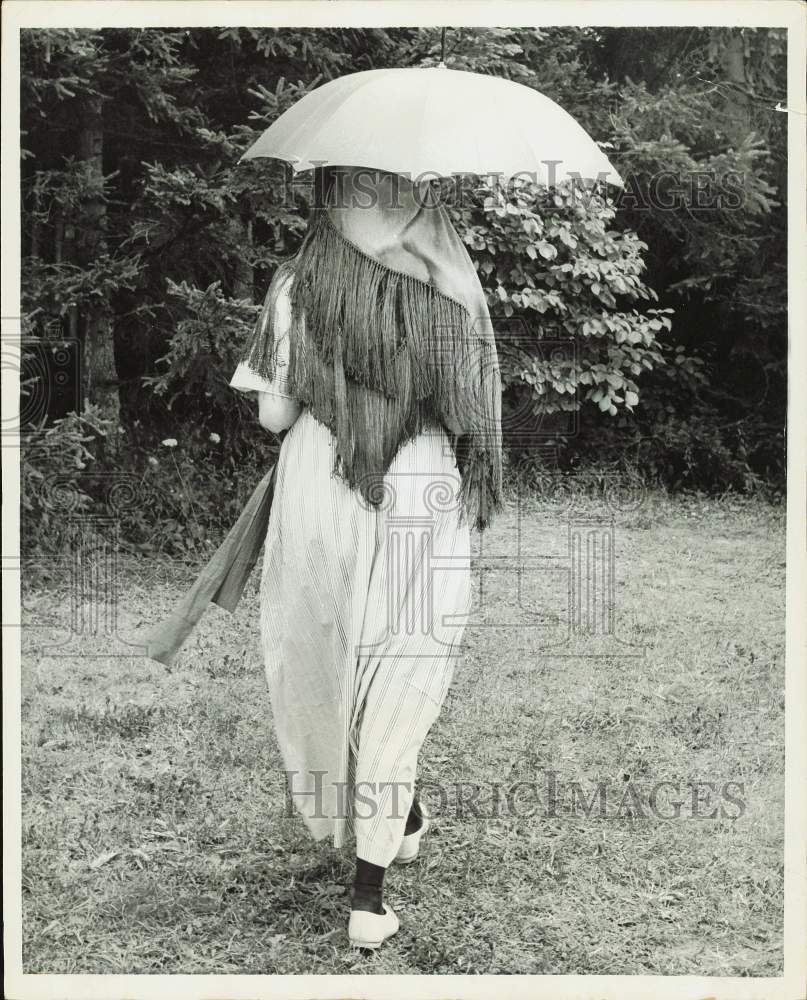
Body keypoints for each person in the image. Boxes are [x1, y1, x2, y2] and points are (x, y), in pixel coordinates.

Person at [229, 165, 502, 949]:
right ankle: (368, 892)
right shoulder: (451, 281)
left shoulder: (295, 280)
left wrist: (331, 393)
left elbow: (276, 414)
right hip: (418, 481)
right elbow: (474, 415)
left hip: (321, 475)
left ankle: (387, 819)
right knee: (403, 662)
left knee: (329, 646)